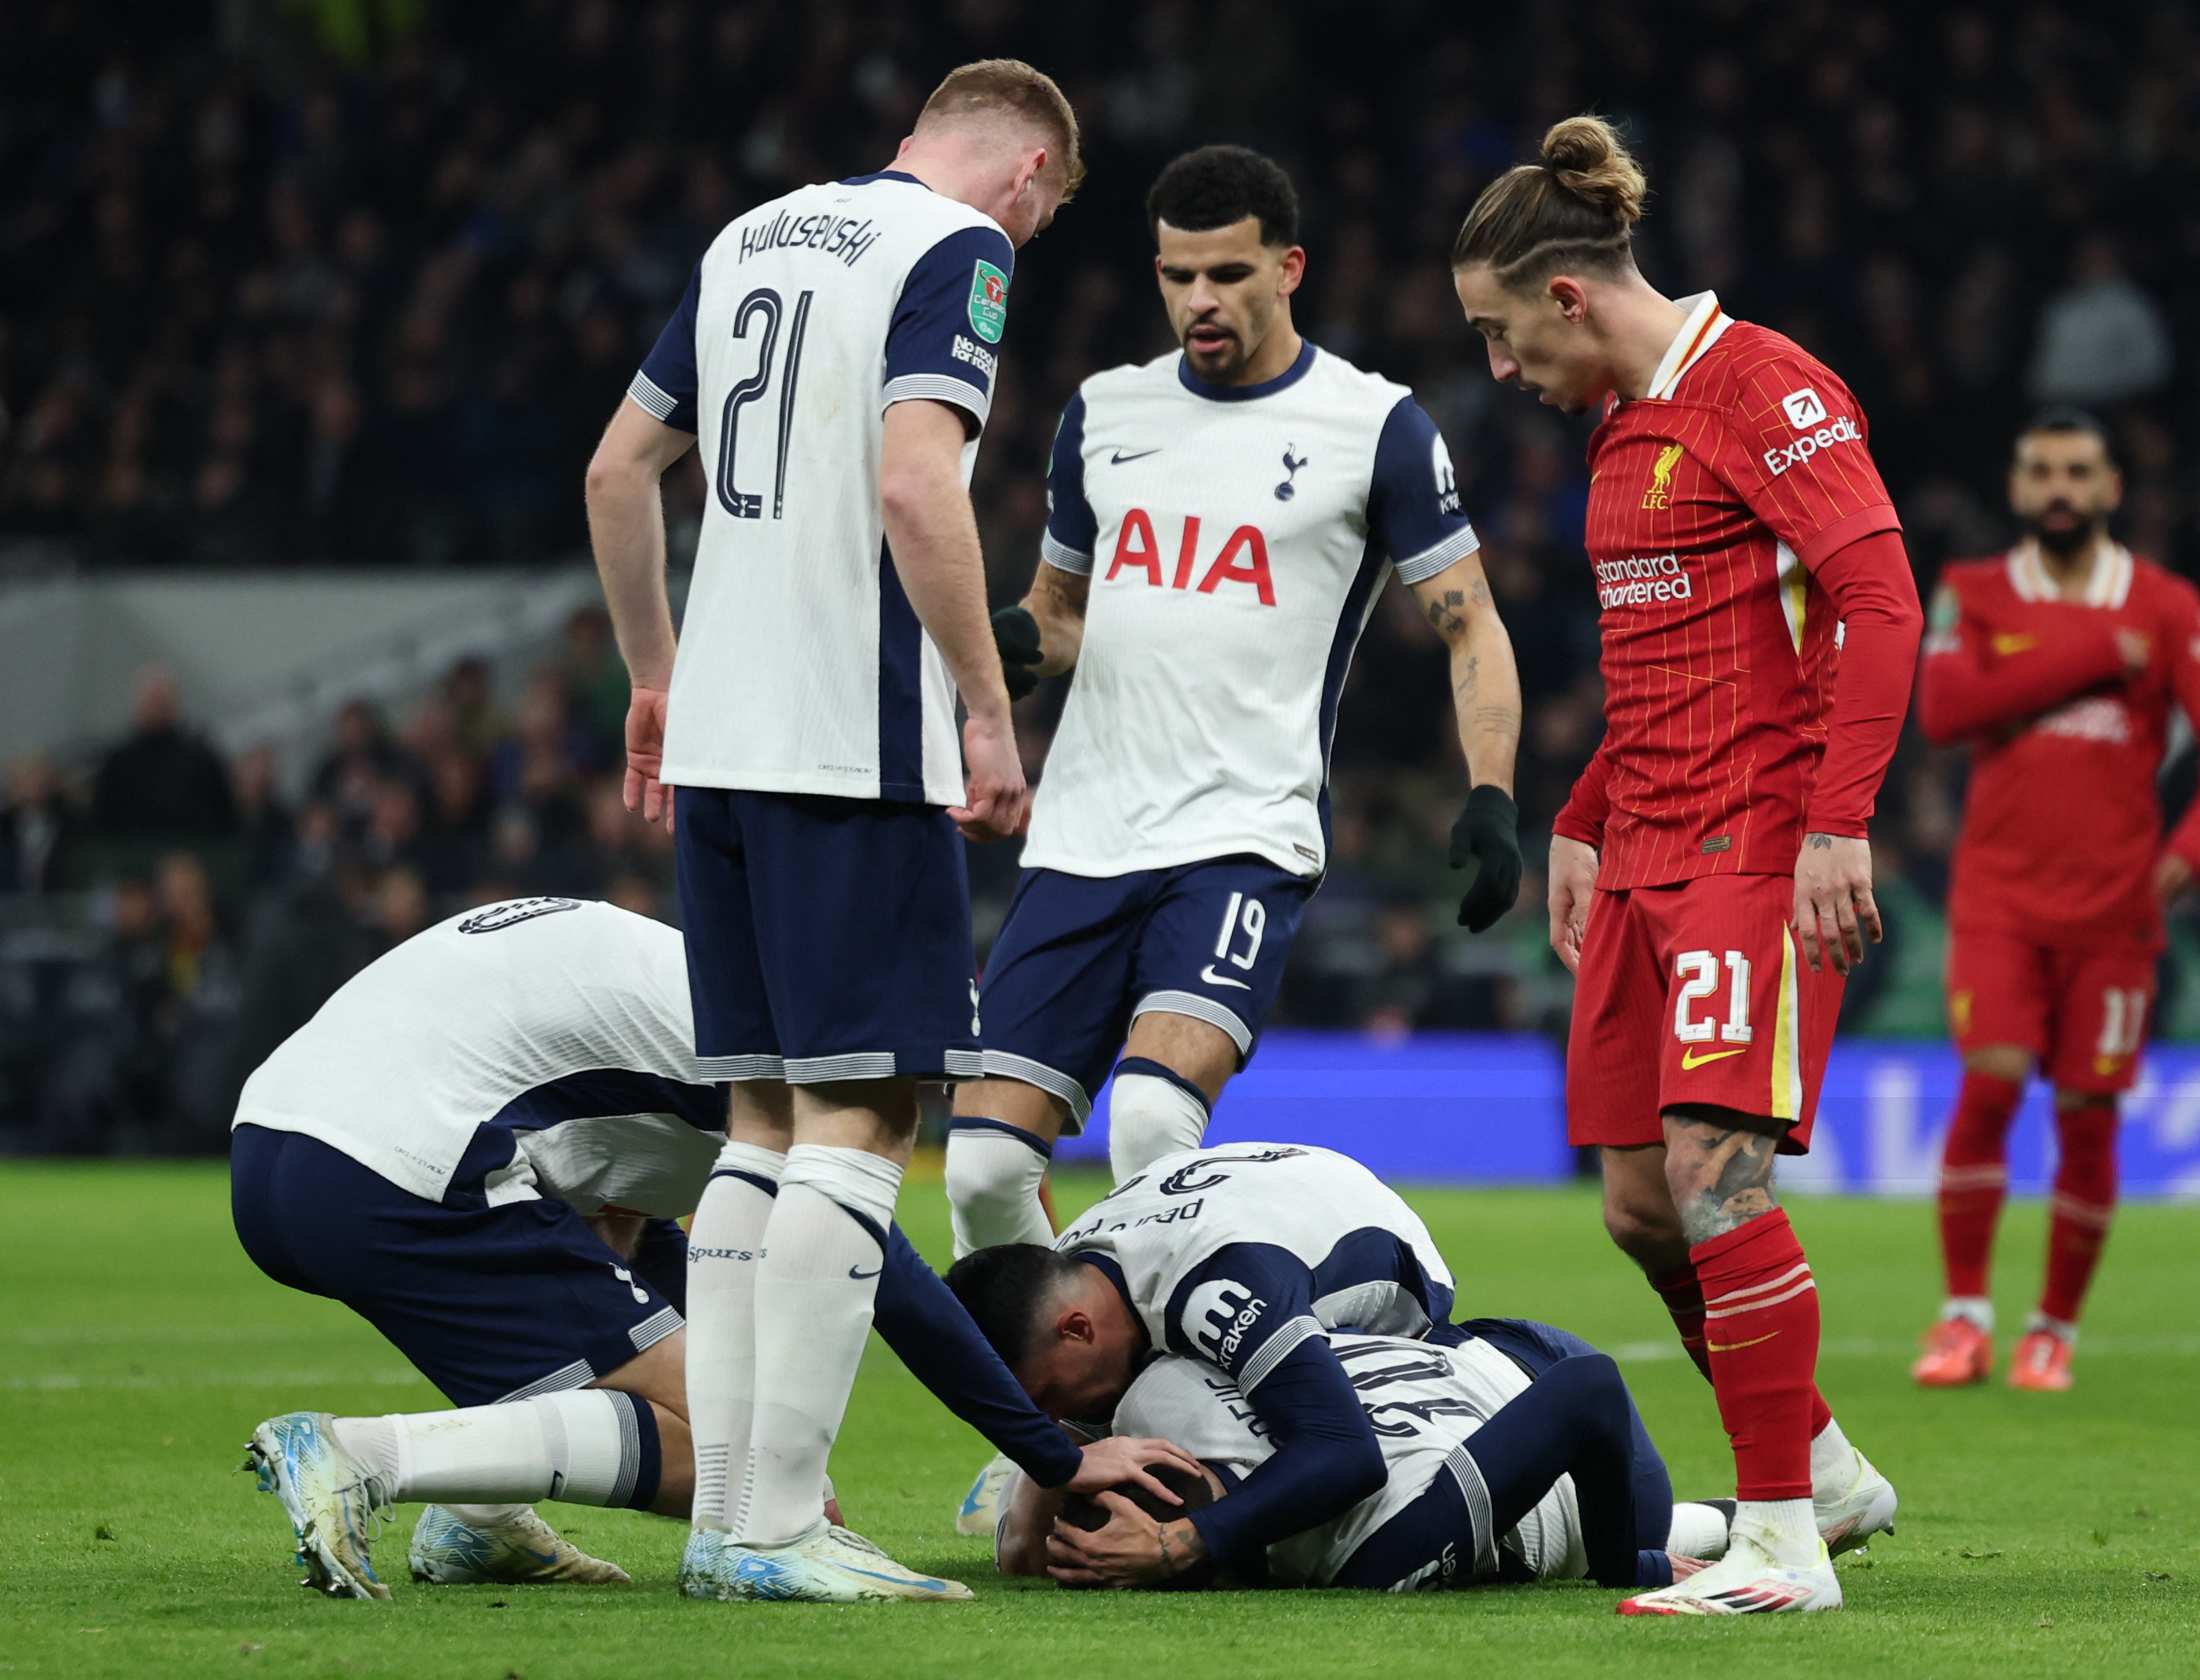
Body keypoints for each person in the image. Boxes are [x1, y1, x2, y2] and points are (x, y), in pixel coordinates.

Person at [586, 60, 1081, 1604]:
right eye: (1048, 213)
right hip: (850, 744)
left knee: (760, 1126)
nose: (1031, 238)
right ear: (1029, 174)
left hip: (723, 745)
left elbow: (617, 469)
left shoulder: (749, 235)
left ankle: (732, 1518)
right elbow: (916, 483)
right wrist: (985, 708)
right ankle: (781, 1523)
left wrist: (653, 673)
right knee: (863, 1126)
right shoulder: (961, 247)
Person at [945, 143, 1521, 1415]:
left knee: (1156, 1125)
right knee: (982, 1170)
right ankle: (1069, 1424)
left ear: (1288, 268)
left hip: (1242, 834)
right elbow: (1062, 614)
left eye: (1227, 274)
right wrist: (994, 652)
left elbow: (1470, 622)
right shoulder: (1106, 413)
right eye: (1176, 276)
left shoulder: (1374, 425)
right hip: (1083, 835)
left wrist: (1490, 790)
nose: (1199, 300)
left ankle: (1194, 1423)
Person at [1449, 117, 1916, 1614]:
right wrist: (1581, 815)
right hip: (1643, 851)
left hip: (1754, 849)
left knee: (1719, 1177)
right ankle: (1822, 1471)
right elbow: (1663, 658)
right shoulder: (1619, 432)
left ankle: (1779, 1538)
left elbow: (1882, 604)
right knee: (1644, 1206)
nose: (1499, 366)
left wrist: (1838, 824)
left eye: (1501, 332)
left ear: (1566, 295)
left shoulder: (1766, 390)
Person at [233, 896, 1192, 1600]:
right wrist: (1052, 1454)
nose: (920, 1096)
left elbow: (625, 1224)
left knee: (718, 1402)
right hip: (397, 1168)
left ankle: (477, 1521)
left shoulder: (709, 984)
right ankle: (361, 1454)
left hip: (276, 1145)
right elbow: (882, 1272)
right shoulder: (778, 1041)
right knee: (749, 1473)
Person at [1911, 411, 2200, 1391]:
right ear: (2017, 488)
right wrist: (2092, 657)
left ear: (2113, 487)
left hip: (2116, 911)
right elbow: (1945, 711)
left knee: (2088, 1119)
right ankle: (1962, 1319)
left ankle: (2052, 1331)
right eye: (2041, 471)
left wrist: (2186, 852)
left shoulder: (2166, 606)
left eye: (2078, 471)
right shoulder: (1973, 590)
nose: (2060, 488)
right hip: (1999, 898)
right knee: (1989, 1084)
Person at [951, 1142, 1482, 1589]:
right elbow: (1024, 1550)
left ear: (1077, 1329)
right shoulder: (1066, 1281)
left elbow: (1345, 1453)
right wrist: (1053, 1469)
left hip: (1390, 1262)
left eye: (1045, 1399)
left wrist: (1183, 1542)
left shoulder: (1221, 1289)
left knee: (1264, 1461)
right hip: (1240, 1203)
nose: (1045, 1421)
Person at [1000, 1329, 1738, 1595]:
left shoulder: (1378, 1551)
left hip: (1492, 1362)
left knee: (1641, 1535)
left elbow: (1590, 1388)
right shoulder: (1157, 1395)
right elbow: (1588, 1392)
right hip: (1522, 1403)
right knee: (1651, 1528)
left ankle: (1727, 1523)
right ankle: (1754, 1519)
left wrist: (1626, 1569)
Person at [91, 667, 237, 841]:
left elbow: (222, 818)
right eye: (152, 702)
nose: (158, 709)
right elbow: (103, 821)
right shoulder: (118, 762)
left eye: (163, 703)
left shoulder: (202, 760)